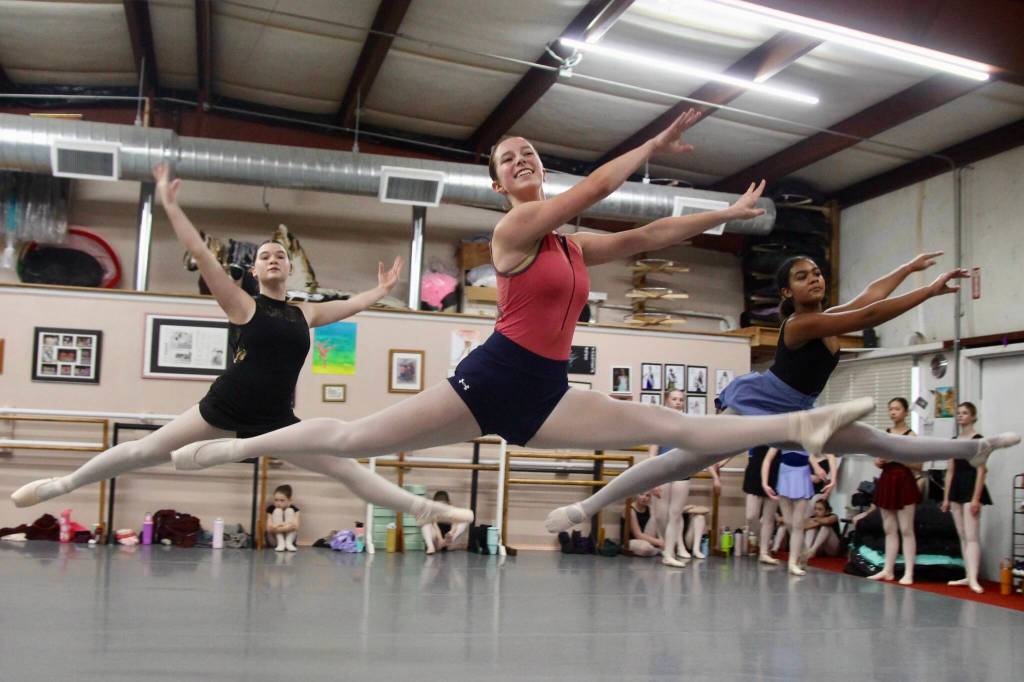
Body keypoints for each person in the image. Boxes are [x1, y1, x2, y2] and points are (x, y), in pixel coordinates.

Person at [166, 111, 877, 517]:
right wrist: (652, 148)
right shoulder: (513, 232)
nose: (522, 160)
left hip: (545, 389)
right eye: (509, 159)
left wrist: (727, 214)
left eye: (528, 152)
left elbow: (648, 235)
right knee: (354, 440)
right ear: (499, 184)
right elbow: (595, 188)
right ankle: (236, 446)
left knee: (667, 426)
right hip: (494, 376)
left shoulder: (570, 243)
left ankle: (799, 424)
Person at [12, 165, 471, 530]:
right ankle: (63, 484)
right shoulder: (242, 305)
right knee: (142, 451)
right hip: (224, 407)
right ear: (254, 270)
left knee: (344, 468)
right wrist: (171, 206)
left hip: (276, 420)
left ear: (288, 269)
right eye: (265, 255)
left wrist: (382, 290)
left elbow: (350, 305)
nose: (273, 259)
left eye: (280, 255)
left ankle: (421, 509)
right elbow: (204, 256)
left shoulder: (304, 313)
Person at [545, 249, 1019, 533]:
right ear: (788, 293)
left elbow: (871, 297)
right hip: (759, 407)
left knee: (882, 442)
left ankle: (974, 449)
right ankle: (585, 507)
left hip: (801, 416)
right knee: (679, 462)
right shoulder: (800, 324)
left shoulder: (828, 317)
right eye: (802, 276)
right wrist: (928, 291)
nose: (815, 278)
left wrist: (909, 268)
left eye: (817, 273)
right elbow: (871, 314)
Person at [649, 389, 720, 565]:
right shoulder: (659, 424)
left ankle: (669, 554)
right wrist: (652, 479)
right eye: (674, 399)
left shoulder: (688, 424)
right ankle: (670, 546)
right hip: (663, 472)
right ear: (667, 401)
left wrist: (715, 477)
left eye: (681, 399)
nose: (678, 402)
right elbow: (652, 452)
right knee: (661, 515)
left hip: (682, 472)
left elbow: (701, 451)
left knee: (675, 514)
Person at [868, 397, 922, 585]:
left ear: (905, 412)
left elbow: (919, 465)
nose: (893, 412)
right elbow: (877, 460)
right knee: (889, 528)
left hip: (904, 482)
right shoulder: (885, 434)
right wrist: (879, 461)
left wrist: (896, 459)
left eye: (897, 409)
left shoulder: (911, 435)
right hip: (887, 481)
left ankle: (909, 572)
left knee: (906, 529)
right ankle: (888, 570)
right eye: (890, 409)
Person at [942, 402, 992, 594]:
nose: (960, 416)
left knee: (971, 536)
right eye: (958, 413)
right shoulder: (954, 441)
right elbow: (950, 470)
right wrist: (946, 498)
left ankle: (974, 578)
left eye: (965, 413)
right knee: (962, 535)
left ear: (973, 417)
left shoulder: (979, 440)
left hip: (971, 487)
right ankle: (967, 575)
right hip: (956, 488)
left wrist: (976, 498)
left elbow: (981, 471)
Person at [762, 447, 832, 575]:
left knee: (798, 524)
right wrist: (765, 483)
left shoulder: (805, 438)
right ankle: (804, 550)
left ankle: (792, 562)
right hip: (785, 474)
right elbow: (768, 459)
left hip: (802, 475)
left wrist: (816, 467)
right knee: (789, 523)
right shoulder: (782, 438)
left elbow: (813, 453)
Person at [420, 491, 468, 555]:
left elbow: (454, 525)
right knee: (425, 522)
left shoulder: (451, 510)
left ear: (448, 503)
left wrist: (451, 533)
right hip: (437, 541)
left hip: (449, 541)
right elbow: (436, 526)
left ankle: (449, 543)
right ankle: (430, 546)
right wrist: (440, 539)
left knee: (464, 519)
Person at [626, 489, 664, 557]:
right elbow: (638, 535)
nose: (644, 497)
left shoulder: (649, 509)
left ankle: (656, 548)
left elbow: (656, 526)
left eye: (647, 495)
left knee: (655, 517)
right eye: (641, 494)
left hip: (646, 539)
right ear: (636, 495)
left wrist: (661, 540)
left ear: (650, 498)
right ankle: (658, 550)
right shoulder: (631, 510)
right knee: (645, 548)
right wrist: (659, 542)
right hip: (631, 541)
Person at [266, 484, 300, 552]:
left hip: (290, 539)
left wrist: (278, 525)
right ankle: (281, 542)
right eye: (276, 500)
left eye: (282, 500)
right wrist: (288, 526)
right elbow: (269, 529)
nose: (278, 503)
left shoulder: (295, 510)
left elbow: (296, 526)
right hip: (274, 540)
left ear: (290, 500)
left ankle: (288, 543)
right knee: (277, 511)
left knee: (290, 510)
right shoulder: (271, 509)